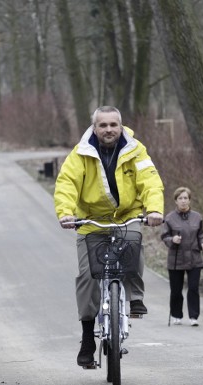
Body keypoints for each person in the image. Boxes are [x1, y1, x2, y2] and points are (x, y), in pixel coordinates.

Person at [54, 106, 164, 366]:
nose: (108, 130)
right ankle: (87, 338)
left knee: (134, 246)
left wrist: (155, 209)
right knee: (87, 276)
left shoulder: (136, 149)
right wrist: (66, 213)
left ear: (121, 126)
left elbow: (150, 180)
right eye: (103, 125)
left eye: (113, 125)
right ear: (94, 128)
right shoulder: (81, 153)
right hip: (91, 220)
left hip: (127, 216)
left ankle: (135, 297)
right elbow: (67, 183)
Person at [161, 187, 203, 326]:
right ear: (175, 201)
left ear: (189, 200)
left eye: (185, 198)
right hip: (176, 258)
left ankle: (194, 316)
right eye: (180, 198)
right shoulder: (169, 218)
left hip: (194, 258)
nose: (183, 201)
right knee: (176, 290)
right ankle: (176, 314)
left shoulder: (197, 217)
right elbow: (164, 236)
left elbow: (201, 234)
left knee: (193, 288)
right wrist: (172, 240)